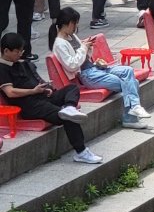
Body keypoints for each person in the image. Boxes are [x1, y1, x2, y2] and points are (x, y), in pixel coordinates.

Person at [0, 32, 101, 163]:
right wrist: (33, 91)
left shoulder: (21, 63)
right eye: (17, 51)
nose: (20, 54)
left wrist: (45, 88)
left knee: (71, 89)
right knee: (67, 117)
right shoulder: (2, 69)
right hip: (30, 106)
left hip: (41, 96)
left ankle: (70, 107)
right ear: (6, 51)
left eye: (21, 51)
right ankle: (81, 152)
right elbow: (10, 92)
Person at [50, 7, 152, 129]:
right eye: (75, 23)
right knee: (132, 82)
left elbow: (84, 57)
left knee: (128, 71)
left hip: (95, 68)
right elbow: (72, 65)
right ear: (69, 23)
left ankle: (134, 109)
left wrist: (88, 48)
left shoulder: (72, 37)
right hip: (88, 75)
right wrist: (84, 48)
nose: (76, 26)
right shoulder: (59, 44)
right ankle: (130, 116)